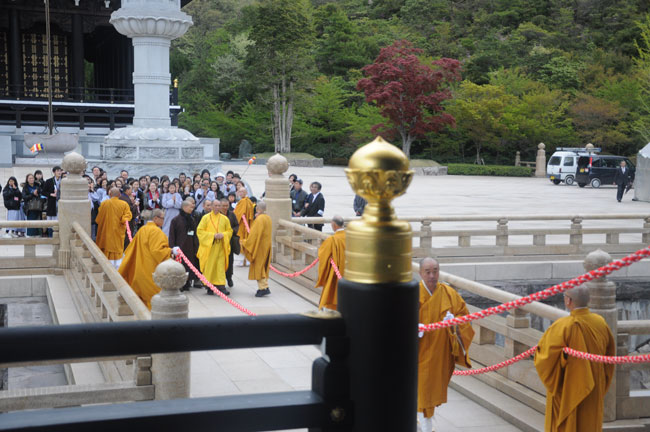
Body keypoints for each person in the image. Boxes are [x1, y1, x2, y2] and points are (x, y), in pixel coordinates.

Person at [534, 285, 615, 432]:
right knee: (589, 424)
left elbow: (545, 358)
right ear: (588, 300)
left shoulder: (563, 326)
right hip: (593, 387)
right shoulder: (600, 322)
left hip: (568, 390)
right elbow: (609, 356)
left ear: (568, 301)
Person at [417, 257, 474, 432]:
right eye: (428, 272)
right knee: (423, 388)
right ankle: (426, 424)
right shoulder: (413, 294)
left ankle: (425, 418)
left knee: (431, 388)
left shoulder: (449, 293)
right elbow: (398, 317)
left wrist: (454, 323)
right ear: (420, 273)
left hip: (440, 351)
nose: (432, 276)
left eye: (435, 271)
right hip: (419, 352)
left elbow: (465, 318)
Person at [119, 209, 175, 309]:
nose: (164, 220)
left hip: (139, 270)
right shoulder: (156, 231)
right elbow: (157, 251)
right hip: (151, 272)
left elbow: (130, 249)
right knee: (153, 299)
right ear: (155, 218)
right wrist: (171, 251)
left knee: (142, 301)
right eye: (163, 218)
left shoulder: (142, 229)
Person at [196, 198, 233, 296]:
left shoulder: (225, 219)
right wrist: (213, 236)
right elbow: (200, 231)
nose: (217, 207)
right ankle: (209, 286)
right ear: (211, 206)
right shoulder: (205, 218)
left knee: (220, 266)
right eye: (215, 205)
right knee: (210, 267)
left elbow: (229, 231)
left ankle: (221, 286)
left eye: (218, 206)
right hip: (209, 247)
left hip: (221, 246)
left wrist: (223, 235)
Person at [169, 200, 202, 291]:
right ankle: (180, 284)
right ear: (185, 207)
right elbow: (172, 235)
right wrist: (172, 248)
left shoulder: (191, 219)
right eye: (190, 207)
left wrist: (196, 247)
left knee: (189, 266)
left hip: (190, 247)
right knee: (180, 266)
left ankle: (187, 282)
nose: (192, 209)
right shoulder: (175, 220)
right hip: (179, 248)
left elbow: (195, 234)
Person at [95, 187, 133, 269]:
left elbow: (98, 219)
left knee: (106, 249)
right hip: (117, 233)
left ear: (110, 194)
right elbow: (127, 216)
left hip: (105, 233)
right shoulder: (124, 204)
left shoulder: (104, 203)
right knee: (117, 253)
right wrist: (123, 220)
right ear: (119, 195)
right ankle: (117, 269)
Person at [241, 201, 272, 297]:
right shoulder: (268, 218)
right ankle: (264, 286)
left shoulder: (259, 220)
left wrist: (245, 242)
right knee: (262, 266)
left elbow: (254, 235)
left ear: (258, 209)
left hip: (259, 247)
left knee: (258, 266)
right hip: (266, 246)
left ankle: (263, 288)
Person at [315, 215, 345, 310]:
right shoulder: (351, 238)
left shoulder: (332, 240)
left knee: (333, 292)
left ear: (334, 225)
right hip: (349, 274)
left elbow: (323, 255)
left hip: (336, 273)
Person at [219, 197, 239, 288]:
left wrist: (231, 231)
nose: (225, 208)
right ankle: (220, 279)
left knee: (230, 261)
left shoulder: (232, 215)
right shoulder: (217, 215)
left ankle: (229, 277)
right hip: (219, 242)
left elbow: (236, 225)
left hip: (229, 241)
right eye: (223, 206)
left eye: (227, 206)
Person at [234, 187, 255, 266]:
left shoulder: (245, 201)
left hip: (243, 224)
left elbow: (238, 214)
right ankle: (244, 260)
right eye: (240, 191)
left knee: (242, 241)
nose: (241, 193)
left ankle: (245, 259)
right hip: (244, 224)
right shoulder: (246, 201)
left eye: (243, 191)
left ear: (246, 192)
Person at [42, 166, 63, 236]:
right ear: (54, 172)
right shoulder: (49, 181)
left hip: (61, 203)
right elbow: (43, 192)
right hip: (52, 203)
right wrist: (51, 194)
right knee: (51, 221)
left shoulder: (63, 181)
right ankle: (51, 236)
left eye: (60, 171)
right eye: (57, 171)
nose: (59, 172)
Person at [22, 173, 43, 237]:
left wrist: (38, 194)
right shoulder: (25, 187)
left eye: (32, 178)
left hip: (38, 206)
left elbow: (41, 194)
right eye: (30, 178)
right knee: (31, 222)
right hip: (29, 208)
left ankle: (38, 235)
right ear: (27, 179)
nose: (31, 179)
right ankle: (30, 236)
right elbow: (24, 197)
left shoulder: (37, 186)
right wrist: (32, 194)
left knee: (37, 221)